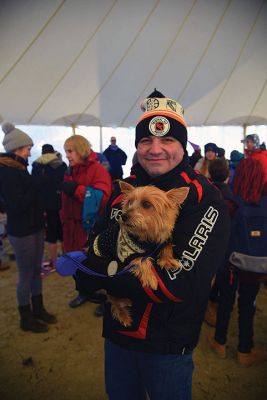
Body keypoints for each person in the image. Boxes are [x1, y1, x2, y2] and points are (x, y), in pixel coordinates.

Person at [75, 90, 230, 399]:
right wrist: (88, 270)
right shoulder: (126, 191)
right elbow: (95, 243)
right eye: (146, 141)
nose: (155, 149)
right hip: (118, 336)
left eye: (167, 140)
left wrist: (102, 277)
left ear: (182, 146)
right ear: (137, 146)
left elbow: (180, 281)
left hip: (167, 346)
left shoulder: (203, 198)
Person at [207, 158, 267, 367]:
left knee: (225, 302)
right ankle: (245, 350)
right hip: (257, 267)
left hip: (230, 265)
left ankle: (220, 342)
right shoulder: (265, 202)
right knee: (247, 306)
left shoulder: (230, 203)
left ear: (235, 175)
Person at [0, 123, 56, 333]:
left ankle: (38, 309)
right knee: (26, 274)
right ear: (16, 149)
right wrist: (37, 186)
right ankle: (26, 316)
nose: (30, 152)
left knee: (35, 271)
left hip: (34, 226)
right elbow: (16, 206)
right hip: (22, 230)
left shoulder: (19, 168)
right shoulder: (7, 172)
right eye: (27, 148)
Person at [61, 135, 112, 310]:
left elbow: (104, 199)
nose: (67, 155)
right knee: (76, 262)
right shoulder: (70, 170)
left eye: (70, 151)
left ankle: (105, 297)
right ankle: (83, 291)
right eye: (65, 151)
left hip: (89, 228)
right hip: (72, 228)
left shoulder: (98, 170)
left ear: (81, 149)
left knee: (96, 263)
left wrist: (78, 190)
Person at [32, 144, 67, 270]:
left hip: (45, 206)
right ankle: (65, 259)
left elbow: (34, 186)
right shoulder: (61, 164)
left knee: (51, 235)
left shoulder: (37, 165)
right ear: (53, 151)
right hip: (61, 203)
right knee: (63, 233)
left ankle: (54, 263)